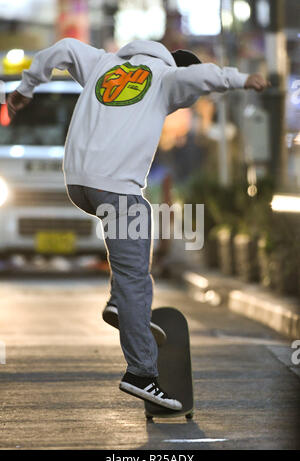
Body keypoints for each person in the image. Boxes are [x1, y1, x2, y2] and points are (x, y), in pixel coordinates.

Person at [7, 38, 270, 411]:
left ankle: (120, 306)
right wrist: (243, 78)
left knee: (137, 226)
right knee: (135, 271)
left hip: (78, 184)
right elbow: (205, 76)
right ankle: (141, 373)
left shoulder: (103, 63)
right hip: (114, 186)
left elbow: (62, 48)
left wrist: (26, 86)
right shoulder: (166, 78)